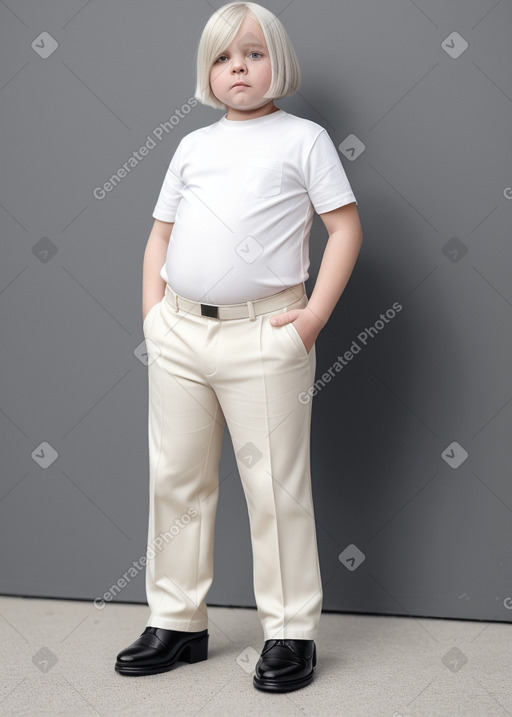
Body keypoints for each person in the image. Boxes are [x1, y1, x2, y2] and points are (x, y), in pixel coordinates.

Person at [115, 1, 362, 693]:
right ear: (209, 72)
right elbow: (160, 233)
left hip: (265, 334)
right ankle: (177, 618)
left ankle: (288, 631)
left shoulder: (303, 139)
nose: (238, 68)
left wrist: (311, 319)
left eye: (252, 53)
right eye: (224, 57)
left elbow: (344, 229)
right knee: (177, 476)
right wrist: (153, 317)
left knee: (274, 485)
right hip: (181, 331)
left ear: (276, 62)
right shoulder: (192, 146)